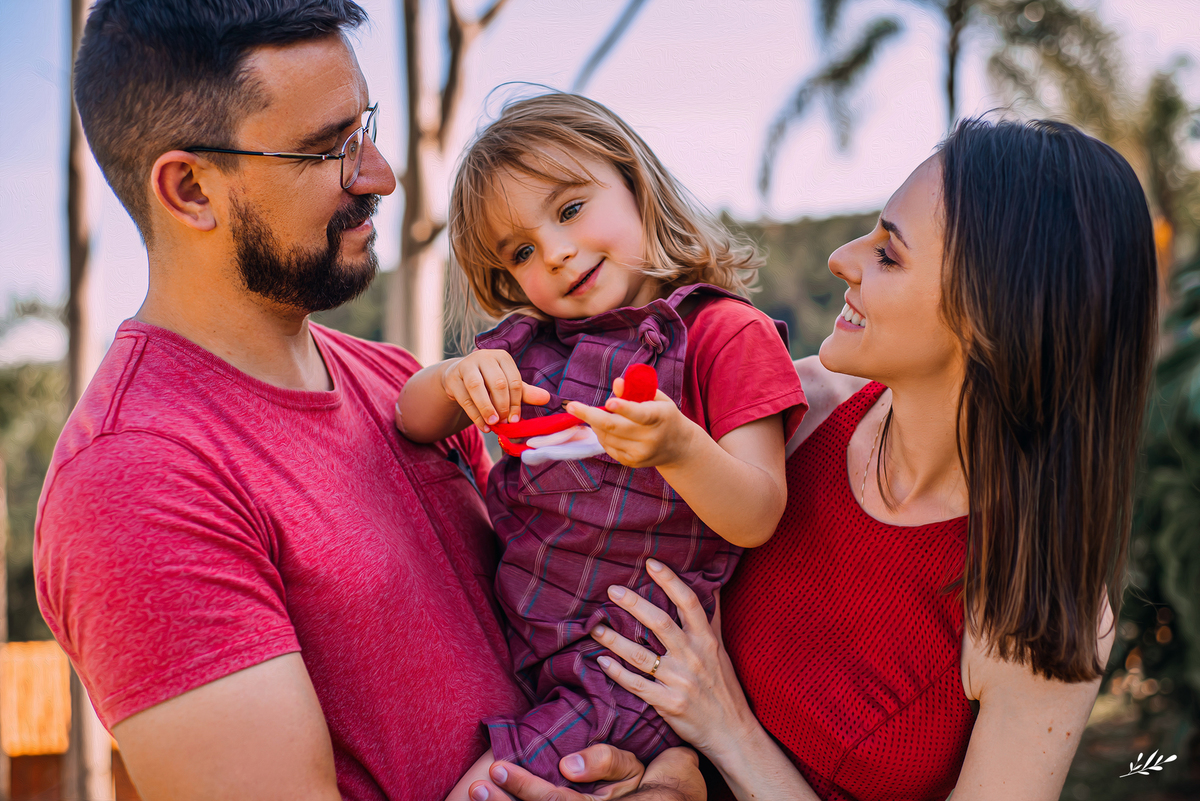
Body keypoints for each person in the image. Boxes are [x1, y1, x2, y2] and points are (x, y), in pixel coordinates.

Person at [34, 3, 700, 800]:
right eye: (330, 149)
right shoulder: (135, 481)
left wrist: (665, 775)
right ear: (191, 189)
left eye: (366, 129)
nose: (381, 175)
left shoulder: (399, 383)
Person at [585, 118, 1158, 800]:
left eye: (888, 254)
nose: (841, 258)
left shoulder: (1040, 601)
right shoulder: (788, 422)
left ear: (993, 315)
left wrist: (729, 733)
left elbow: (712, 711)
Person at [396, 93, 807, 795]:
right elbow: (412, 419)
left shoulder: (725, 334)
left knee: (485, 789)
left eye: (571, 208)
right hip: (528, 645)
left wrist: (678, 448)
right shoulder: (529, 352)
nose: (556, 253)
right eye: (523, 251)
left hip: (629, 663)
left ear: (634, 182)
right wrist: (454, 376)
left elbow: (759, 511)